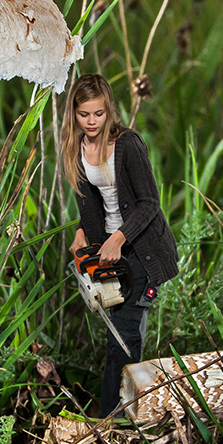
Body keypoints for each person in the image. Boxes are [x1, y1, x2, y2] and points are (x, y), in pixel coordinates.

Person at [62, 73, 178, 416]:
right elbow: (91, 203)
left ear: (108, 110)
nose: (92, 121)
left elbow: (149, 204)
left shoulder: (127, 145)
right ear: (74, 114)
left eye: (98, 113)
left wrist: (119, 237)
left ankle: (112, 419)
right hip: (108, 253)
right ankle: (130, 411)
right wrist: (84, 233)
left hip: (139, 250)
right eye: (84, 114)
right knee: (118, 332)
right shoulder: (77, 148)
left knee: (124, 339)